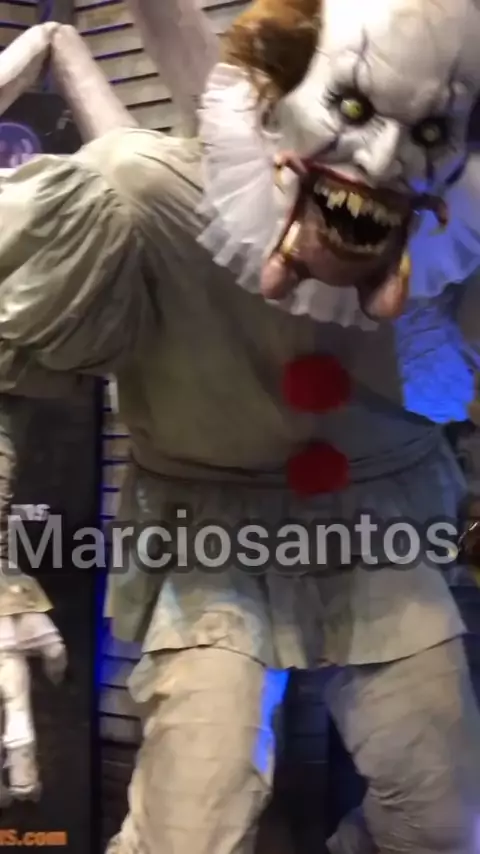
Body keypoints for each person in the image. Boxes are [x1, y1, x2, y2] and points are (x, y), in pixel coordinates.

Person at [0, 0, 479, 851]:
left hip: (381, 530)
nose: (380, 159)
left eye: (430, 130)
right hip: (206, 537)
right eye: (355, 109)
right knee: (190, 827)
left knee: (446, 821)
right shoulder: (142, 197)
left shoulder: (452, 228)